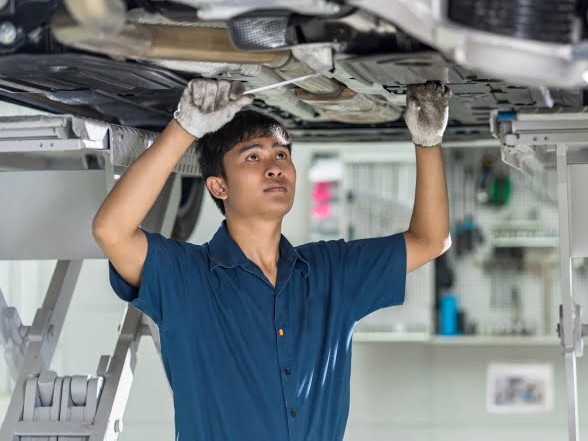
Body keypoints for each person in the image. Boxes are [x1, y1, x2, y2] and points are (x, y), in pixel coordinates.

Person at [92, 78, 452, 440]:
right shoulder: (186, 279)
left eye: (281, 154)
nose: (274, 166)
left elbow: (430, 240)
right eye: (253, 156)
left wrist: (428, 142)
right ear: (219, 186)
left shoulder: (332, 273)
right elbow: (112, 231)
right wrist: (185, 128)